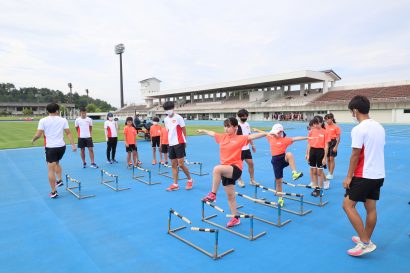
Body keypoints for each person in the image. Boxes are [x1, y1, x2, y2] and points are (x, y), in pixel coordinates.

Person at [199, 117, 268, 228]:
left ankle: (213, 194)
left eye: (229, 126)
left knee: (217, 169)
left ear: (235, 127)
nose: (226, 128)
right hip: (225, 170)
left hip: (235, 169)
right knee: (230, 196)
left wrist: (266, 133)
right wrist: (203, 130)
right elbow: (212, 133)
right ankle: (235, 218)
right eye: (225, 126)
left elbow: (252, 136)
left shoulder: (240, 138)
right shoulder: (222, 137)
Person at [342, 95, 385, 257]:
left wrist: (348, 177)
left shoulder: (359, 128)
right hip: (378, 174)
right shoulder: (379, 126)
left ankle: (365, 241)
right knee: (370, 208)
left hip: (363, 174)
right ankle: (365, 238)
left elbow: (355, 154)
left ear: (355, 111)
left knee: (347, 205)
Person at [254, 124, 306, 207]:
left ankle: (294, 173)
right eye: (274, 133)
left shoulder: (285, 140)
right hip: (275, 161)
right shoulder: (270, 138)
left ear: (281, 132)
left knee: (289, 154)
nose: (275, 134)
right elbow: (264, 133)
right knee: (278, 182)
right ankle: (280, 198)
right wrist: (257, 130)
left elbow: (296, 138)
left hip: (283, 158)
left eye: (277, 133)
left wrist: (307, 138)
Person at [31, 103, 77, 198]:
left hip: (51, 148)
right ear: (57, 110)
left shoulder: (43, 120)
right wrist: (73, 145)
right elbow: (68, 133)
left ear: (47, 111)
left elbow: (39, 134)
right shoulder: (63, 120)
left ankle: (53, 191)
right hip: (61, 147)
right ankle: (59, 180)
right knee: (57, 162)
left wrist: (33, 139)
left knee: (50, 169)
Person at [163, 101, 193, 191]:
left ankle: (190, 180)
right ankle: (175, 184)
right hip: (171, 144)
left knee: (181, 164)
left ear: (173, 108)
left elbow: (183, 129)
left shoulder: (179, 117)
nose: (168, 111)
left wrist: (185, 141)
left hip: (179, 142)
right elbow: (168, 131)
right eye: (166, 109)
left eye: (169, 109)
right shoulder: (165, 119)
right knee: (173, 164)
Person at [306, 117, 329, 197]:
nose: (316, 125)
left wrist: (324, 157)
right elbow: (309, 143)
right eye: (314, 123)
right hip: (312, 151)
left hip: (320, 152)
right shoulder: (311, 131)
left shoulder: (325, 132)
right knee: (314, 171)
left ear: (322, 122)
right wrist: (308, 154)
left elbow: (326, 146)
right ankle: (316, 188)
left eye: (317, 123)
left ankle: (320, 188)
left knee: (319, 172)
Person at [236, 109, 257, 187]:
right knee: (239, 166)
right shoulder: (236, 125)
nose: (244, 117)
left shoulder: (247, 124)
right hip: (239, 149)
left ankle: (252, 180)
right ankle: (239, 180)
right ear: (239, 116)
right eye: (243, 116)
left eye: (246, 116)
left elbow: (249, 136)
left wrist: (253, 145)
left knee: (251, 164)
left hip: (246, 148)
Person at [324, 113, 341, 181]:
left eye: (328, 119)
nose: (327, 121)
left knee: (331, 158)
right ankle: (329, 172)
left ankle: (331, 173)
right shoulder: (325, 126)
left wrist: (336, 146)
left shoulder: (336, 127)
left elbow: (338, 138)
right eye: (326, 120)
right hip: (327, 143)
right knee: (328, 158)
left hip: (333, 142)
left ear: (331, 119)